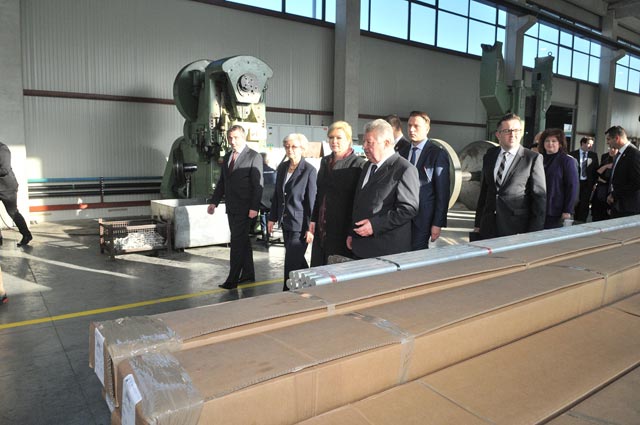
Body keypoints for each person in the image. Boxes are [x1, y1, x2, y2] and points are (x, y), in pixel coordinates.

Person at [347, 119, 419, 259]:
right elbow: (359, 203)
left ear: (386, 143)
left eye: (369, 142)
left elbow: (408, 209)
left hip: (386, 250)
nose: (364, 147)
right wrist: (352, 233)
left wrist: (375, 225)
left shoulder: (404, 169)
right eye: (364, 142)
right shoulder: (368, 166)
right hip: (361, 246)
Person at [207, 125, 263, 289]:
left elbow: (258, 185)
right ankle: (248, 275)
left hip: (246, 208)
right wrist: (214, 202)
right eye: (230, 138)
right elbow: (223, 182)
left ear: (243, 137)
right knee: (243, 241)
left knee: (237, 243)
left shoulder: (254, 156)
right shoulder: (227, 157)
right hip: (231, 207)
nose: (232, 141)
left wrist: (254, 208)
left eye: (236, 137)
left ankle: (232, 280)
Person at [474, 113, 546, 239]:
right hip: (488, 224)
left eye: (516, 130)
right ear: (498, 135)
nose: (512, 134)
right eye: (507, 131)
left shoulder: (532, 159)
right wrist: (478, 223)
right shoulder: (490, 155)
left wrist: (534, 232)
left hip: (517, 226)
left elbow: (539, 198)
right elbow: (485, 192)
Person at [309, 121, 366, 266]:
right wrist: (313, 219)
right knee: (318, 268)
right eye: (331, 137)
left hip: (342, 230)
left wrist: (352, 232)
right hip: (322, 229)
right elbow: (319, 193)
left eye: (339, 138)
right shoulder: (325, 161)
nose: (334, 141)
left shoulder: (358, 165)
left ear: (348, 139)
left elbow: (358, 203)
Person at [267, 134, 317, 291]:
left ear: (302, 148)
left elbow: (311, 202)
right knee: (297, 260)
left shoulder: (309, 171)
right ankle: (313, 285)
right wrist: (272, 218)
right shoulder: (282, 168)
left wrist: (310, 228)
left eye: (294, 146)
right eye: (287, 146)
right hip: (285, 223)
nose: (290, 150)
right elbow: (277, 195)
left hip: (300, 226)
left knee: (290, 264)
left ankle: (286, 294)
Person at [398, 111, 450, 250]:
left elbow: (442, 193)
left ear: (427, 128)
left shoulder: (437, 154)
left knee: (417, 254)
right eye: (409, 125)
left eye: (416, 126)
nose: (411, 129)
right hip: (401, 217)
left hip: (424, 219)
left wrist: (437, 223)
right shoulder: (402, 152)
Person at [540, 129, 579, 228]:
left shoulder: (567, 161)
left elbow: (572, 186)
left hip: (555, 210)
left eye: (554, 141)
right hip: (538, 208)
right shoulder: (538, 159)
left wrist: (568, 210)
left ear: (560, 144)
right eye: (547, 141)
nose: (550, 143)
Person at [0, 141, 32, 247]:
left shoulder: (3, 149)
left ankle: (26, 235)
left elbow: (4, 169)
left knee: (12, 212)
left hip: (7, 188)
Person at [605, 126, 640, 218]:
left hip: (628, 208)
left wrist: (615, 194)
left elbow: (637, 182)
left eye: (608, 139)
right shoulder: (620, 154)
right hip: (618, 205)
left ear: (617, 138)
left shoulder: (633, 154)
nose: (607, 142)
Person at [570, 137, 599, 222]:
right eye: (588, 144)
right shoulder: (573, 154)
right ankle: (575, 219)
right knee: (576, 202)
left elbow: (595, 170)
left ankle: (582, 221)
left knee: (585, 203)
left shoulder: (593, 155)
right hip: (576, 182)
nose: (590, 146)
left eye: (592, 144)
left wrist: (594, 183)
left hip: (587, 183)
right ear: (583, 143)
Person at [591, 146, 618, 221]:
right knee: (597, 213)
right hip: (601, 190)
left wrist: (603, 180)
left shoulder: (620, 162)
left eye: (614, 148)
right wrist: (606, 166)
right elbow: (597, 173)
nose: (612, 150)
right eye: (610, 148)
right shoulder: (606, 159)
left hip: (610, 190)